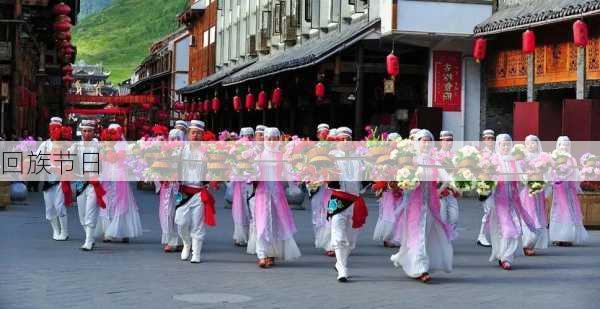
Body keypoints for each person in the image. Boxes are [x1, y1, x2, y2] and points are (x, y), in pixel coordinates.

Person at [390, 129, 454, 283]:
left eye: (428, 141)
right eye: (422, 140)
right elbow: (400, 180)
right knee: (417, 235)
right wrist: (404, 185)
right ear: (416, 143)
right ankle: (419, 269)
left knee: (425, 235)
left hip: (431, 206)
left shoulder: (434, 161)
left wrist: (438, 191)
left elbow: (447, 178)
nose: (425, 143)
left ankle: (413, 261)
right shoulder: (409, 160)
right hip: (414, 206)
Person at [248, 127, 301, 268]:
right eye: (269, 139)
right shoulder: (258, 156)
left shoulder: (282, 157)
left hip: (277, 194)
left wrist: (293, 184)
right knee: (262, 223)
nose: (271, 142)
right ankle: (262, 254)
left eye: (274, 139)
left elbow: (289, 173)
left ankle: (271, 254)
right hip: (262, 194)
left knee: (276, 224)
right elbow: (249, 175)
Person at [487, 134, 536, 270]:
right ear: (498, 145)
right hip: (499, 202)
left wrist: (534, 180)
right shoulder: (493, 161)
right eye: (503, 144)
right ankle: (504, 257)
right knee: (507, 229)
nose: (505, 147)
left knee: (510, 228)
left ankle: (504, 256)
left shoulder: (514, 161)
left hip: (513, 201)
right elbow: (487, 180)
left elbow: (522, 178)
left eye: (508, 144)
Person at [327, 126, 368, 282]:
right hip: (337, 199)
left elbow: (367, 177)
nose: (345, 142)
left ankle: (340, 263)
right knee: (338, 235)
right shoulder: (330, 157)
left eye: (348, 139)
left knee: (350, 240)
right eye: (341, 139)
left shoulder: (360, 157)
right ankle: (343, 268)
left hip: (355, 201)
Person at [175, 120, 217, 263]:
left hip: (199, 192)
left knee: (197, 224)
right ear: (188, 134)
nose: (196, 136)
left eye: (199, 133)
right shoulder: (180, 150)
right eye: (193, 133)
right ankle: (186, 243)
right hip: (183, 192)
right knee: (180, 222)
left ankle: (196, 253)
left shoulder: (208, 152)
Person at [99, 124, 143, 243]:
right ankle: (107, 232)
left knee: (122, 204)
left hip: (120, 178)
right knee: (107, 203)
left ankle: (124, 231)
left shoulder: (124, 145)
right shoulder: (104, 144)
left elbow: (129, 161)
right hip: (107, 178)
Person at [73, 120, 106, 251]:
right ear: (81, 132)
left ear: (94, 132)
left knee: (90, 211)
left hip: (93, 182)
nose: (86, 133)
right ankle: (90, 237)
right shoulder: (76, 146)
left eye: (89, 131)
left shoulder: (99, 146)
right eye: (84, 131)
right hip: (80, 182)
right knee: (81, 214)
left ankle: (88, 241)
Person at [549, 136, 588, 246]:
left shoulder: (571, 159)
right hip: (559, 189)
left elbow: (576, 175)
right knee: (559, 211)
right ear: (558, 145)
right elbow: (549, 172)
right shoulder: (554, 157)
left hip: (569, 189)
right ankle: (557, 236)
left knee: (569, 210)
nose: (563, 147)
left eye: (566, 144)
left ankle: (568, 236)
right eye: (561, 144)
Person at [38, 118, 72, 241]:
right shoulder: (45, 144)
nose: (54, 130)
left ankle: (65, 231)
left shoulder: (66, 145)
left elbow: (70, 161)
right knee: (49, 207)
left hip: (60, 180)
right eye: (52, 128)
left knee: (59, 206)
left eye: (56, 128)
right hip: (48, 180)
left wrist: (61, 167)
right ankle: (55, 230)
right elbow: (37, 158)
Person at [519, 135, 550, 256]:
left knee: (538, 214)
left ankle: (532, 243)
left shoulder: (543, 158)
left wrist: (542, 179)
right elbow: (519, 173)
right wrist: (528, 178)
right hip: (526, 191)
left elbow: (548, 173)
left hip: (539, 191)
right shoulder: (522, 158)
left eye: (534, 143)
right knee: (529, 214)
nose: (532, 145)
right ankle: (526, 243)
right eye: (529, 143)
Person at [157, 129, 184, 252]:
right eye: (172, 139)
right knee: (167, 213)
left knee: (181, 214)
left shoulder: (186, 153)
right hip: (167, 189)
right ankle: (172, 240)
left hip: (181, 189)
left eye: (178, 138)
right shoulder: (163, 153)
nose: (175, 141)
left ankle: (181, 240)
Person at [230, 127, 255, 246]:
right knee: (239, 208)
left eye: (250, 135)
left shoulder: (256, 149)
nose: (248, 138)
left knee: (252, 209)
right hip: (240, 183)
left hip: (252, 183)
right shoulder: (235, 149)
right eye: (245, 135)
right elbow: (231, 164)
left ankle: (252, 235)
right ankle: (240, 235)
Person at [477, 129, 496, 247]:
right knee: (488, 211)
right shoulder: (479, 153)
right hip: (485, 184)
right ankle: (481, 235)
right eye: (487, 139)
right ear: (483, 140)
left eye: (491, 139)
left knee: (498, 211)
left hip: (498, 185)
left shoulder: (497, 152)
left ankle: (496, 235)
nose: (489, 141)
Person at [438, 131, 460, 234]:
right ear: (441, 141)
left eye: (451, 140)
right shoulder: (436, 156)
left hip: (452, 192)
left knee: (454, 218)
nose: (449, 143)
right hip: (441, 191)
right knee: (441, 219)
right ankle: (443, 241)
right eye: (446, 140)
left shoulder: (456, 156)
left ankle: (448, 238)